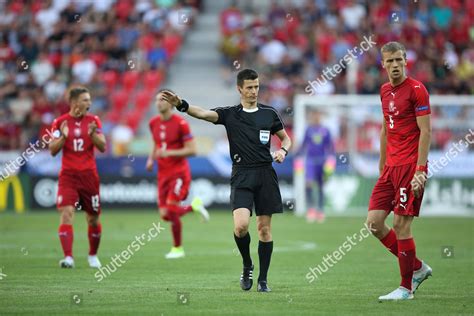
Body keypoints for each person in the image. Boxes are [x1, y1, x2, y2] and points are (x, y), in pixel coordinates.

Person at [160, 68, 292, 292]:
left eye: (257, 86)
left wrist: (283, 151)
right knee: (241, 227)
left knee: (264, 230)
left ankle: (263, 280)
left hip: (265, 174)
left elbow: (285, 139)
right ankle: (247, 264)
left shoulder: (269, 114)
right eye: (249, 87)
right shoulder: (230, 114)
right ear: (239, 88)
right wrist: (181, 104)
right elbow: (202, 113)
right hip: (241, 174)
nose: (254, 91)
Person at [366, 42, 432, 301]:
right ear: (383, 64)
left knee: (401, 225)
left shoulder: (417, 90)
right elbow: (385, 129)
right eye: (389, 61)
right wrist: (382, 164)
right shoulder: (383, 91)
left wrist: (420, 170)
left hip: (409, 167)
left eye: (398, 60)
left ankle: (406, 287)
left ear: (406, 61)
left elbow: (425, 132)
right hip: (390, 168)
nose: (394, 65)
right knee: (373, 223)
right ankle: (416, 267)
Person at [146, 89, 210, 259]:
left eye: (163, 99)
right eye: (157, 100)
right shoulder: (153, 123)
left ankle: (177, 248)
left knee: (172, 209)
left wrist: (170, 154)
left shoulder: (181, 124)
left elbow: (193, 150)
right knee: (165, 214)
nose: (159, 103)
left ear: (170, 103)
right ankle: (193, 207)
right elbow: (157, 144)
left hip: (178, 174)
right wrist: (151, 159)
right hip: (162, 174)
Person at [49, 86, 106, 269]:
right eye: (85, 100)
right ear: (74, 102)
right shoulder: (60, 122)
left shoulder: (93, 120)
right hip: (68, 177)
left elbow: (103, 146)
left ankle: (92, 255)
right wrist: (64, 138)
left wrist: (92, 135)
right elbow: (52, 150)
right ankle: (68, 258)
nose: (89, 103)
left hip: (89, 177)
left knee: (93, 219)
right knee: (66, 214)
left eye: (89, 100)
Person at [297, 110, 334, 223]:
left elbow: (330, 147)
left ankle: (320, 211)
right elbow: (303, 145)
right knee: (308, 184)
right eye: (314, 115)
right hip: (310, 161)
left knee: (320, 186)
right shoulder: (308, 130)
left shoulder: (326, 130)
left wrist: (331, 161)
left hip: (322, 161)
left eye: (318, 115)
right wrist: (297, 156)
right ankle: (311, 210)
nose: (316, 118)